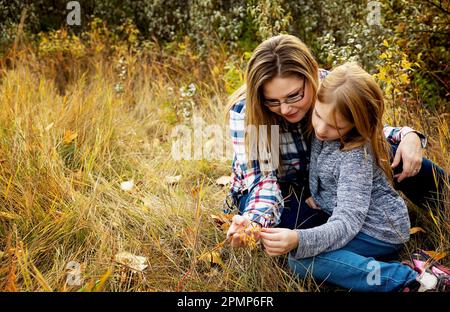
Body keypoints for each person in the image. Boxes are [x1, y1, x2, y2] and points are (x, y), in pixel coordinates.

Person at [225, 34, 448, 247]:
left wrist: (407, 136)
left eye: (294, 96)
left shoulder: (326, 84)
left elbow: (362, 129)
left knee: (393, 153)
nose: (284, 109)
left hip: (328, 176)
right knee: (293, 228)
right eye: (272, 101)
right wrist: (254, 221)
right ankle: (349, 243)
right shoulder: (247, 112)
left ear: (312, 75)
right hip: (283, 188)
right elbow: (264, 182)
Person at [257, 62, 448, 291]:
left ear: (356, 125)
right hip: (359, 224)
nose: (320, 129)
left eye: (334, 126)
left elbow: (348, 221)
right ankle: (391, 265)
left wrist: (300, 238)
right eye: (318, 115)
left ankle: (411, 280)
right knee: (306, 255)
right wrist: (323, 198)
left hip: (380, 231)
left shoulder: (355, 154)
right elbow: (332, 177)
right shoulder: (326, 123)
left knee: (301, 260)